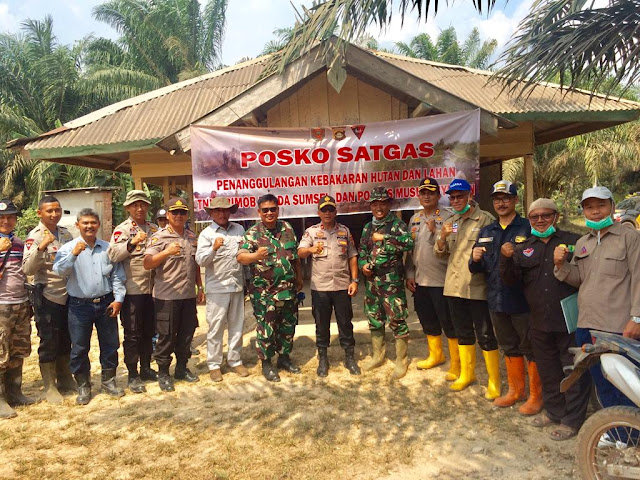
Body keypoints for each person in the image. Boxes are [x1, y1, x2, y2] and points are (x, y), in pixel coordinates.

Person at [502, 198, 590, 441]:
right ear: (529, 220)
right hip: (538, 320)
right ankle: (554, 410)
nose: (540, 220)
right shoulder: (523, 247)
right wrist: (505, 258)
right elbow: (511, 281)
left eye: (546, 215)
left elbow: (586, 275)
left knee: (572, 370)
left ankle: (572, 420)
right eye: (535, 217)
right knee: (548, 369)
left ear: (556, 216)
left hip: (568, 319)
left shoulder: (574, 242)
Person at [555, 186, 640, 410]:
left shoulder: (630, 238)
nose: (596, 212)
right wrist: (560, 264)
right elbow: (578, 278)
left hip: (618, 327)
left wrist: (637, 318)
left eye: (601, 205)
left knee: (625, 383)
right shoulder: (584, 242)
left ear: (612, 206)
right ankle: (616, 431)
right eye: (589, 207)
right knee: (601, 381)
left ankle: (629, 433)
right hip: (586, 325)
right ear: (583, 211)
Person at [469, 180, 540, 413]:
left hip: (522, 300)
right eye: (497, 199)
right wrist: (475, 258)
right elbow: (477, 268)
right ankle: (516, 391)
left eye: (506, 198)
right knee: (509, 345)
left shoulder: (527, 228)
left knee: (530, 346)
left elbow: (535, 262)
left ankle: (536, 396)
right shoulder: (487, 231)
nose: (501, 203)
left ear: (515, 201)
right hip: (496, 299)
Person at [52, 208, 126, 405]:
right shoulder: (69, 247)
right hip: (78, 306)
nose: (89, 226)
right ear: (78, 225)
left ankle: (109, 381)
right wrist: (73, 255)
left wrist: (118, 299)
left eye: (93, 223)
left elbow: (117, 275)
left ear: (98, 225)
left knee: (110, 344)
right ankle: (84, 385)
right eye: (85, 223)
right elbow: (59, 270)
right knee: (79, 347)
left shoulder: (107, 248)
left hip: (105, 302)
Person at [434, 178, 500, 398]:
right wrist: (441, 237)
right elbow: (440, 253)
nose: (456, 200)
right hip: (453, 286)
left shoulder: (485, 220)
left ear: (470, 196)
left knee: (485, 333)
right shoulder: (451, 221)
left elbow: (492, 253)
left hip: (476, 287)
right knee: (462, 331)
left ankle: (494, 381)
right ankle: (467, 373)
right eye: (452, 197)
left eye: (460, 196)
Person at [237, 194, 303, 382]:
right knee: (267, 329)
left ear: (278, 209)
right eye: (265, 210)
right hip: (264, 293)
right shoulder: (253, 233)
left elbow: (295, 256)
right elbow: (241, 257)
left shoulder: (287, 228)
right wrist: (255, 255)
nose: (269, 213)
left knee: (287, 326)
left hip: (288, 290)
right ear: (259, 212)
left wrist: (299, 278)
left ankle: (284, 358)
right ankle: (267, 363)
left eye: (273, 209)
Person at [144, 197, 204, 392]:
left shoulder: (191, 236)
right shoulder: (158, 237)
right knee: (166, 336)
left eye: (183, 212)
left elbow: (194, 265)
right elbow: (148, 263)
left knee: (187, 334)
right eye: (174, 212)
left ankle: (181, 368)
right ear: (167, 215)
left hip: (187, 295)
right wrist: (167, 252)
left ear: (187, 215)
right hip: (166, 296)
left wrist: (200, 288)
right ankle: (163, 372)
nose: (179, 216)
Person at [298, 195, 360, 377]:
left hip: (342, 286)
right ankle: (323, 359)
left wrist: (354, 281)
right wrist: (310, 249)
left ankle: (349, 358)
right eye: (323, 210)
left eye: (330, 209)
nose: (327, 213)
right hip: (320, 288)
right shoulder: (311, 232)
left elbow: (352, 256)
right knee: (321, 324)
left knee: (345, 324)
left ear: (335, 212)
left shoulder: (345, 231)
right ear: (318, 212)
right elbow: (300, 252)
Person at [22, 195, 75, 404]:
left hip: (68, 294)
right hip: (47, 296)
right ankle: (50, 386)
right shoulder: (35, 236)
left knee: (66, 338)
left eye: (57, 210)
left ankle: (65, 377)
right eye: (49, 211)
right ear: (39, 213)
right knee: (49, 340)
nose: (54, 214)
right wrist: (42, 246)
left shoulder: (65, 234)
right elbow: (27, 268)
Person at [358, 186, 414, 379]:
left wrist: (385, 238)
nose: (379, 208)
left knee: (397, 319)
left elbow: (408, 243)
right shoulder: (367, 227)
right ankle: (378, 356)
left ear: (389, 204)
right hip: (372, 283)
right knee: (374, 318)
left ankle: (401, 360)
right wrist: (363, 265)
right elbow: (362, 251)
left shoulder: (397, 225)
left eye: (383, 203)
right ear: (371, 206)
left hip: (391, 282)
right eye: (375, 204)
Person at [108, 190, 159, 394]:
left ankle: (146, 368)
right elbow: (112, 255)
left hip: (153, 290)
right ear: (128, 208)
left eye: (143, 204)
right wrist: (132, 243)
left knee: (149, 332)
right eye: (135, 205)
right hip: (132, 290)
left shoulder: (154, 228)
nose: (140, 208)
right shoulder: (122, 230)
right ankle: (133, 374)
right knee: (133, 334)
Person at [405, 178, 457, 376]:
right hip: (420, 280)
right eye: (423, 192)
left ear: (438, 195)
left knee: (449, 323)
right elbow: (411, 250)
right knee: (427, 320)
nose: (426, 196)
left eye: (431, 192)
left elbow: (453, 245)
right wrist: (409, 273)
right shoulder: (414, 219)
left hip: (442, 280)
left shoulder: (450, 218)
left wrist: (437, 232)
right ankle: (436, 355)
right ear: (419, 195)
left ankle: (456, 363)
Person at [195, 197, 249, 382]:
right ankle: (214, 364)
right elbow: (201, 261)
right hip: (217, 288)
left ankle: (235, 360)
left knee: (236, 326)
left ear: (230, 212)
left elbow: (245, 254)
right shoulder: (206, 234)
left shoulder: (239, 230)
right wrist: (213, 249)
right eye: (218, 210)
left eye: (225, 210)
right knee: (216, 327)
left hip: (237, 285)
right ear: (211, 213)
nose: (222, 213)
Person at [0, 200, 34, 419]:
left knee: (18, 348)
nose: (6, 221)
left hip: (21, 303)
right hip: (1, 306)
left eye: (10, 217)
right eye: (2, 218)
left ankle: (15, 392)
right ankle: (0, 399)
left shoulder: (19, 243)